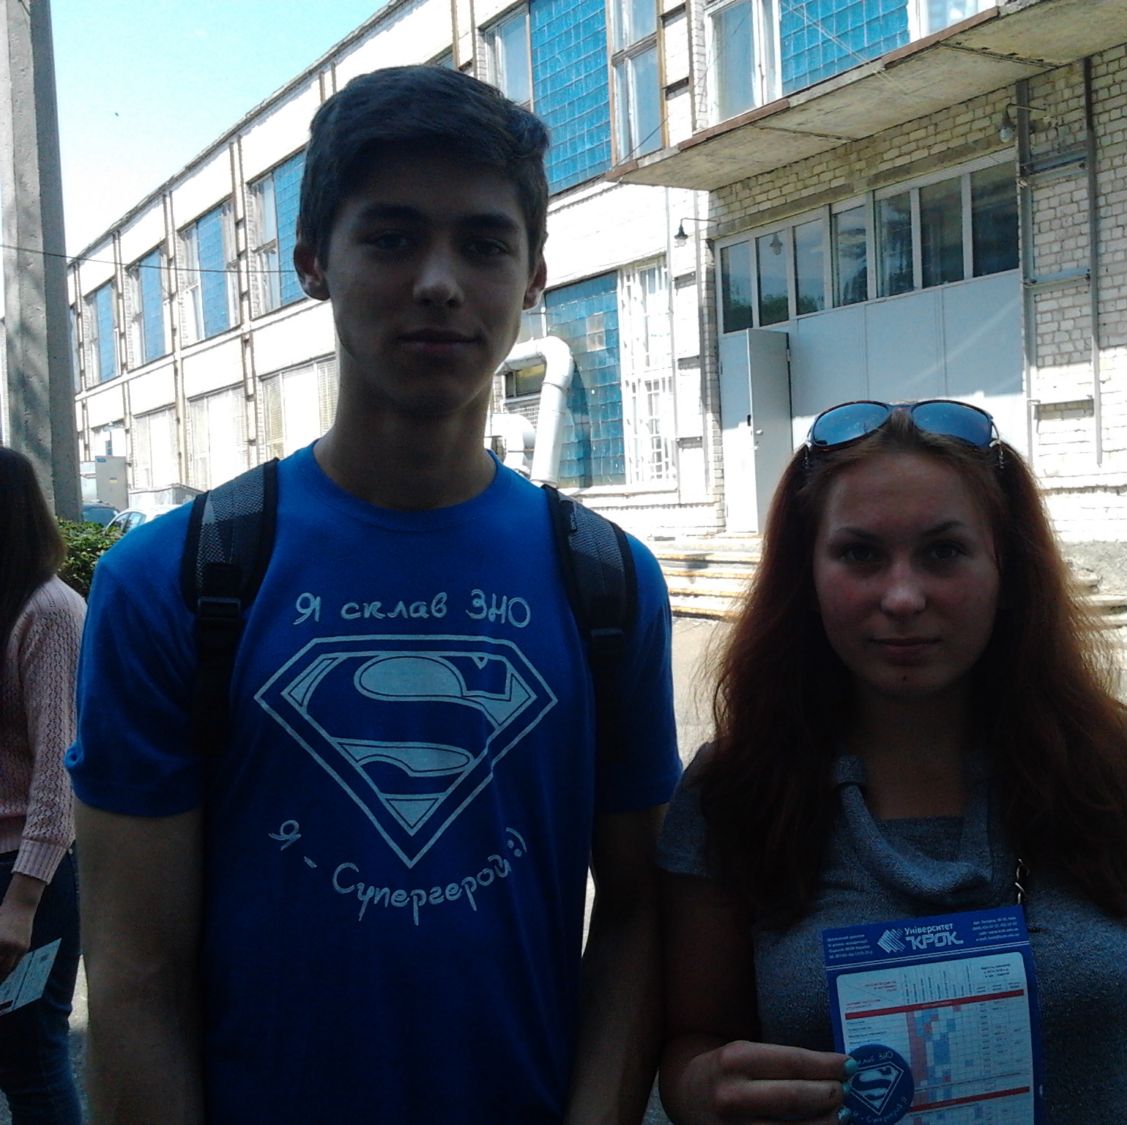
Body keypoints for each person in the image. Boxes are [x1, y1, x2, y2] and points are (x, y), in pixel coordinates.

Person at [68, 66, 680, 1124]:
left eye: (484, 244)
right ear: (313, 261)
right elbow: (134, 977)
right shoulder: (170, 582)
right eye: (392, 238)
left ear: (535, 273)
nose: (440, 282)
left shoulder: (610, 583)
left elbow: (637, 915)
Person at [656, 400, 1127, 1123]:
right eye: (860, 554)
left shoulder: (1115, 768)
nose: (902, 596)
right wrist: (702, 1089)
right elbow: (693, 1042)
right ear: (808, 572)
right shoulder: (739, 789)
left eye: (943, 552)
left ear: (1004, 565)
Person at [0, 447, 86, 1124]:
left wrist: (21, 903)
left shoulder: (50, 611)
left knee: (28, 1059)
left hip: (32, 874)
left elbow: (60, 778)